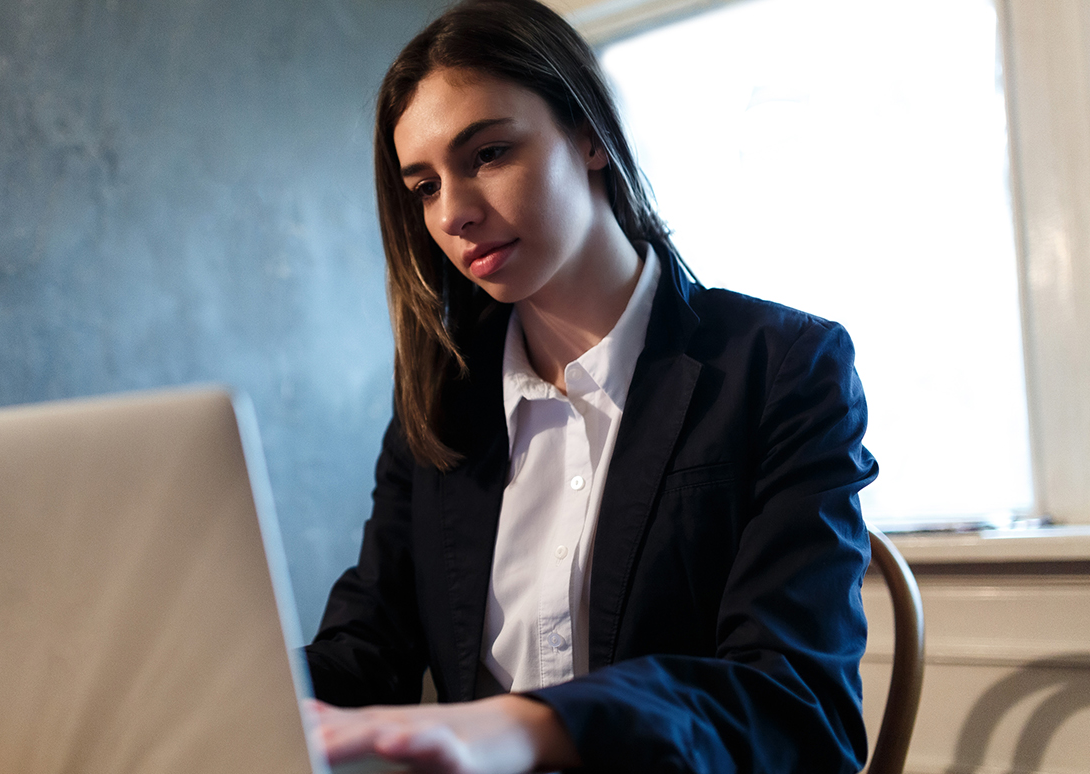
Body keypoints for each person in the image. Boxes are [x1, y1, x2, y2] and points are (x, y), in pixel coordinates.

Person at [302, 1, 878, 772]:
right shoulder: (442, 398)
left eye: (488, 154)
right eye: (424, 186)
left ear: (589, 135)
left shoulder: (781, 368)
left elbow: (797, 707)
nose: (456, 214)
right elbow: (368, 647)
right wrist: (227, 689)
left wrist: (525, 727)